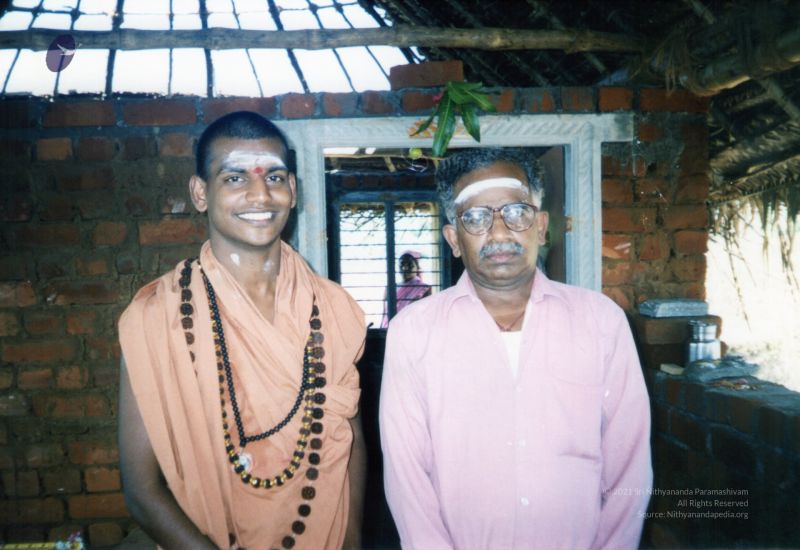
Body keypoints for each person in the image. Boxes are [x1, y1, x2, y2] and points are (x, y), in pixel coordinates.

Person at [379, 148, 652, 549]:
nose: (500, 232)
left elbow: (629, 468)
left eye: (516, 213)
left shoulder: (601, 322)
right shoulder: (413, 333)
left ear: (541, 227)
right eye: (476, 218)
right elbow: (407, 480)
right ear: (454, 239)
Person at [117, 111, 367, 550]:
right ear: (200, 192)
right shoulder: (155, 318)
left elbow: (351, 442)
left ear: (293, 190)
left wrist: (351, 539)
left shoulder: (334, 309)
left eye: (274, 177)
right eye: (234, 178)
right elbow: (142, 489)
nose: (260, 195)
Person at [380, 250, 433, 328]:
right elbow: (384, 315)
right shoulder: (389, 288)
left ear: (417, 267)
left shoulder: (424, 289)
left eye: (410, 265)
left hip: (410, 332)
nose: (405, 268)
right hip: (388, 331)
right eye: (402, 264)